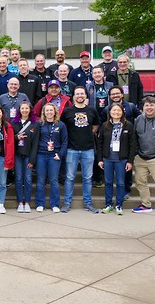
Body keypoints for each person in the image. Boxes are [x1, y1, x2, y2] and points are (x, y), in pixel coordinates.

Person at [61, 86, 100, 214]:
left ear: (85, 96)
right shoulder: (67, 111)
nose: (80, 96)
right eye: (77, 94)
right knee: (70, 177)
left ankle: (88, 203)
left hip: (88, 149)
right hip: (71, 149)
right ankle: (67, 203)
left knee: (87, 178)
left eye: (82, 94)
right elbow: (63, 128)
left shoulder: (92, 110)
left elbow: (95, 127)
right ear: (74, 96)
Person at [97, 102, 137, 215]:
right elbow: (100, 144)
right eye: (113, 110)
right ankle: (108, 204)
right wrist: (100, 159)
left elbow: (132, 144)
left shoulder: (128, 125)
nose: (116, 112)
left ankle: (119, 205)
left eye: (118, 110)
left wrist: (130, 161)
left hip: (122, 159)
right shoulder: (105, 125)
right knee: (108, 182)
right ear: (109, 112)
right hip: (107, 158)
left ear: (122, 112)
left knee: (120, 183)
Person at [35, 103, 68, 213]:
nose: (49, 112)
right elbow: (35, 140)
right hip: (41, 155)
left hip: (54, 156)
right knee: (40, 180)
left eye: (51, 110)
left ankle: (54, 204)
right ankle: (40, 203)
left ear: (55, 112)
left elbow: (64, 142)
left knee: (54, 180)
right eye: (47, 110)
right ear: (44, 112)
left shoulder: (61, 125)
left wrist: (60, 154)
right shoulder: (39, 124)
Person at [12, 101, 39, 213]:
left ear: (30, 110)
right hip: (17, 155)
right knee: (18, 179)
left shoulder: (35, 124)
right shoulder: (13, 122)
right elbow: (9, 140)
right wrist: (16, 137)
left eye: (26, 108)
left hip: (28, 155)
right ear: (19, 110)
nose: (24, 110)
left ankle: (27, 202)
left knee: (28, 179)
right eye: (22, 108)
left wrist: (32, 160)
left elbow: (35, 143)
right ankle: (20, 202)